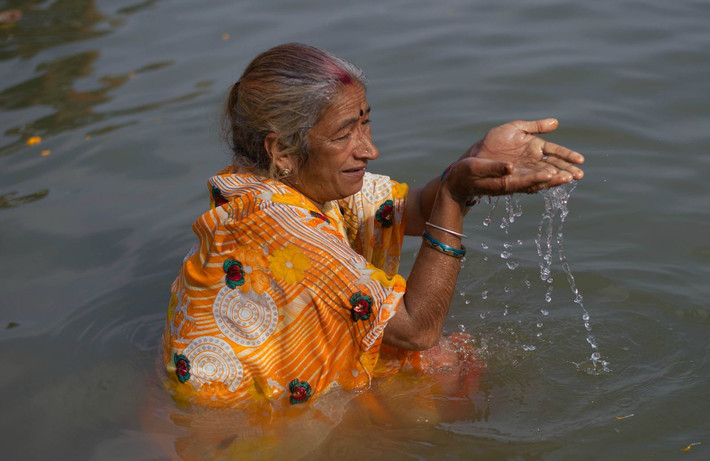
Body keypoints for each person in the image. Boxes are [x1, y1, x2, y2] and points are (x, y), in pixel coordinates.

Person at [161, 43, 584, 414]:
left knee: (440, 359)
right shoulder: (282, 227)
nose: (369, 149)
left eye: (365, 122)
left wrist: (478, 159)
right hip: (243, 425)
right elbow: (417, 330)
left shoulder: (279, 181)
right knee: (440, 361)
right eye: (345, 134)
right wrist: (454, 196)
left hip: (224, 395)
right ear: (282, 150)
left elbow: (417, 208)